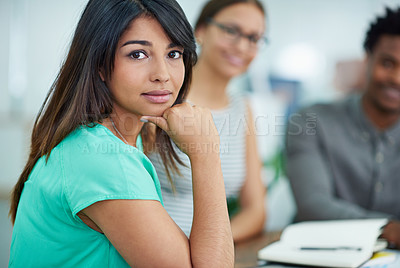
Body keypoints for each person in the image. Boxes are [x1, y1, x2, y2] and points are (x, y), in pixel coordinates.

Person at [8, 0, 234, 267]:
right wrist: (205, 153)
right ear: (100, 65)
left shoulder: (104, 139)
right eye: (138, 54)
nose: (162, 74)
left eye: (173, 54)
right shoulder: (103, 160)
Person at [149, 0, 267, 243]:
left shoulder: (242, 108)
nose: (242, 46)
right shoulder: (161, 95)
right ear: (201, 31)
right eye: (231, 31)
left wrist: (210, 245)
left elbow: (256, 211)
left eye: (253, 38)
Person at [286, 7, 400, 248]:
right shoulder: (309, 120)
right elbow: (313, 205)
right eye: (388, 63)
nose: (396, 79)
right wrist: (388, 229)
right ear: (367, 59)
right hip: (316, 254)